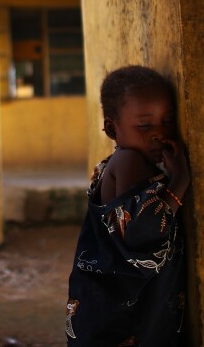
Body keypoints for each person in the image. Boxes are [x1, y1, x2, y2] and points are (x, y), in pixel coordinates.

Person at [65, 66, 191, 346]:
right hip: (123, 323)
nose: (159, 133)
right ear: (112, 128)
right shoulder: (129, 162)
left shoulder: (121, 165)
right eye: (145, 125)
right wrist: (181, 179)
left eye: (167, 122)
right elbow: (143, 230)